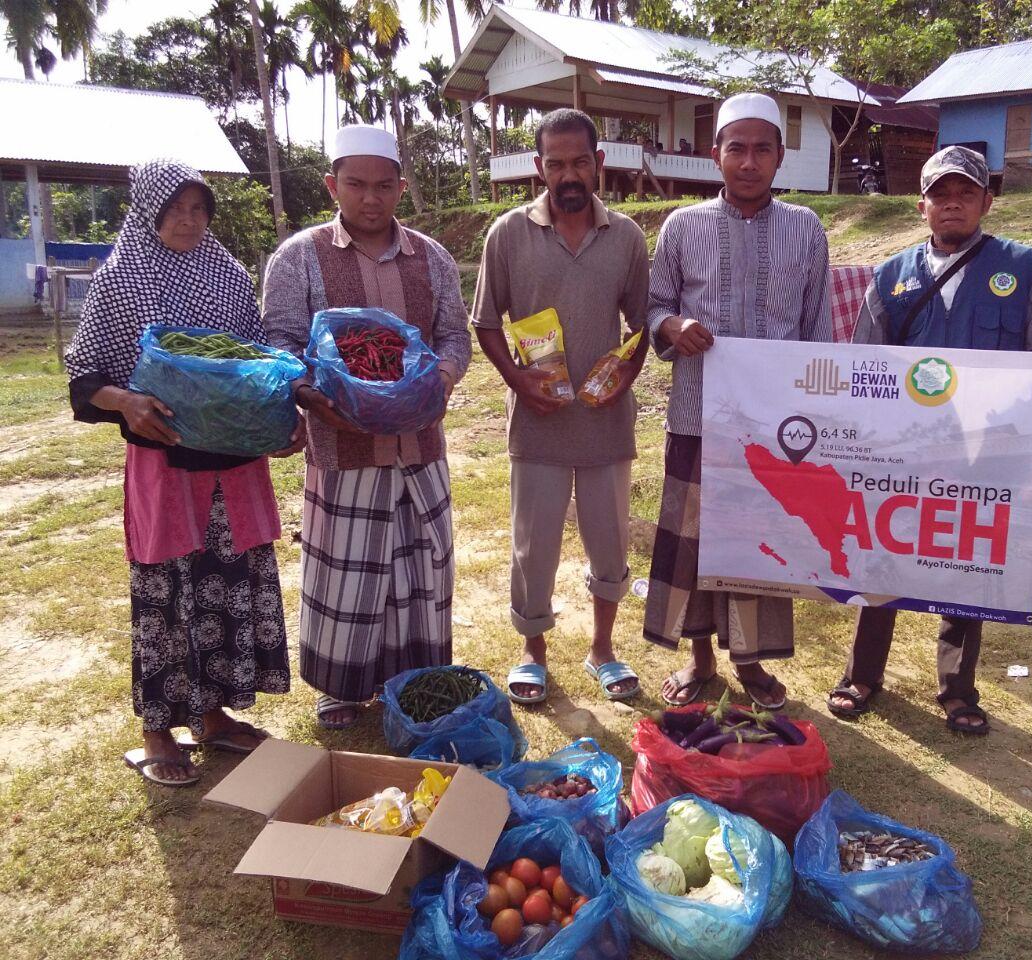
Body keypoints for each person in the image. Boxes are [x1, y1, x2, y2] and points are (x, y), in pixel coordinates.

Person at [826, 145, 1032, 735]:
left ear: (986, 202)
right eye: (940, 194)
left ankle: (957, 690)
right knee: (882, 553)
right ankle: (862, 675)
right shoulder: (890, 276)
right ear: (922, 206)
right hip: (905, 448)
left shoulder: (1023, 266)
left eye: (965, 192)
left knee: (969, 560)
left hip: (988, 450)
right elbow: (866, 361)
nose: (952, 203)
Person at [66, 159, 298, 787]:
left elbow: (252, 359)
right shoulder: (121, 277)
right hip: (166, 460)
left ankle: (212, 714)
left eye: (198, 208)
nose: (188, 220)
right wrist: (127, 402)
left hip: (232, 462)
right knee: (166, 591)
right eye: (175, 207)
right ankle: (156, 728)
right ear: (148, 209)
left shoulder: (224, 271)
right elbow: (85, 378)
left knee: (226, 583)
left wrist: (278, 419)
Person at [262, 124, 472, 729]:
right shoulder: (300, 256)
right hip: (341, 447)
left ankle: (415, 680)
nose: (371, 198)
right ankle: (340, 687)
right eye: (356, 184)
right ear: (333, 184)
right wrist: (310, 392)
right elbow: (278, 339)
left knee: (420, 566)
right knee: (347, 568)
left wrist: (442, 379)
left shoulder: (429, 257)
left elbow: (453, 335)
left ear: (402, 188)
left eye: (384, 186)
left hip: (419, 443)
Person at [644, 92, 832, 709]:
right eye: (736, 148)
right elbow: (653, 307)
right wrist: (671, 328)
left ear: (779, 157)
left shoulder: (806, 229)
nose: (748, 161)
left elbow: (817, 330)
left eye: (761, 149)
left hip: (775, 428)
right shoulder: (681, 226)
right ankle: (700, 661)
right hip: (698, 416)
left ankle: (749, 663)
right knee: (694, 539)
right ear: (715, 154)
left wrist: (813, 415)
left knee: (761, 537)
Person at [472, 109, 650, 705]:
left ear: (598, 163)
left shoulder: (625, 236)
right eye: (555, 163)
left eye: (579, 162)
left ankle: (603, 648)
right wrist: (520, 383)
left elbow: (642, 322)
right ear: (537, 168)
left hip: (604, 423)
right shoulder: (508, 234)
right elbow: (485, 322)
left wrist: (628, 370)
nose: (568, 174)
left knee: (610, 539)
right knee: (534, 544)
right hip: (538, 424)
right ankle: (534, 652)